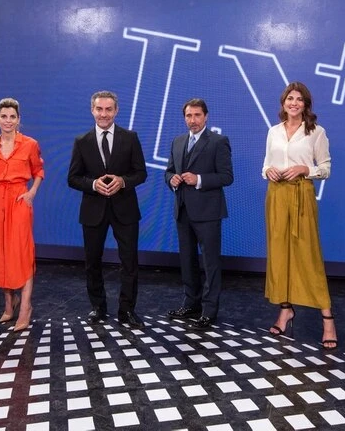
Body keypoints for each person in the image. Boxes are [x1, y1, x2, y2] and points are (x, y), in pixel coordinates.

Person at [262, 81, 337, 349]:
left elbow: (325, 168)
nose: (294, 103)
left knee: (308, 255)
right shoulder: (273, 131)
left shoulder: (316, 132)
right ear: (283, 103)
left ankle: (327, 319)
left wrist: (306, 169)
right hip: (276, 195)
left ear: (306, 104)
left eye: (299, 99)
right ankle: (285, 310)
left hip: (301, 194)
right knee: (279, 254)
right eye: (290, 99)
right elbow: (266, 164)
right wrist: (268, 171)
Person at [68, 90, 148, 328]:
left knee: (129, 261)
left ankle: (127, 310)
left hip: (125, 208)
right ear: (92, 110)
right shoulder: (82, 141)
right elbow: (73, 178)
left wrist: (123, 181)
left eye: (108, 109)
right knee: (92, 261)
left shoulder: (130, 138)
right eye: (99, 109)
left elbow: (141, 173)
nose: (104, 114)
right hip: (93, 210)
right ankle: (98, 307)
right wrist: (93, 184)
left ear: (116, 111)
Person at [165, 99, 234, 330]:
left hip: (208, 212)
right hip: (183, 210)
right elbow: (169, 172)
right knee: (187, 260)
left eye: (197, 115)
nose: (192, 120)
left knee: (210, 263)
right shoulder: (177, 141)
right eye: (188, 115)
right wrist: (172, 180)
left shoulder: (218, 141)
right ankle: (191, 304)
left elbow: (227, 177)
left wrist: (199, 179)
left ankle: (209, 311)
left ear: (206, 116)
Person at [0, 98, 44, 333]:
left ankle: (25, 307)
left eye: (12, 117)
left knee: (21, 253)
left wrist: (32, 193)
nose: (8, 121)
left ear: (18, 120)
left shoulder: (30, 144)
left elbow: (38, 170)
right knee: (1, 254)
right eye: (3, 116)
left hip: (18, 201)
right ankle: (9, 302)